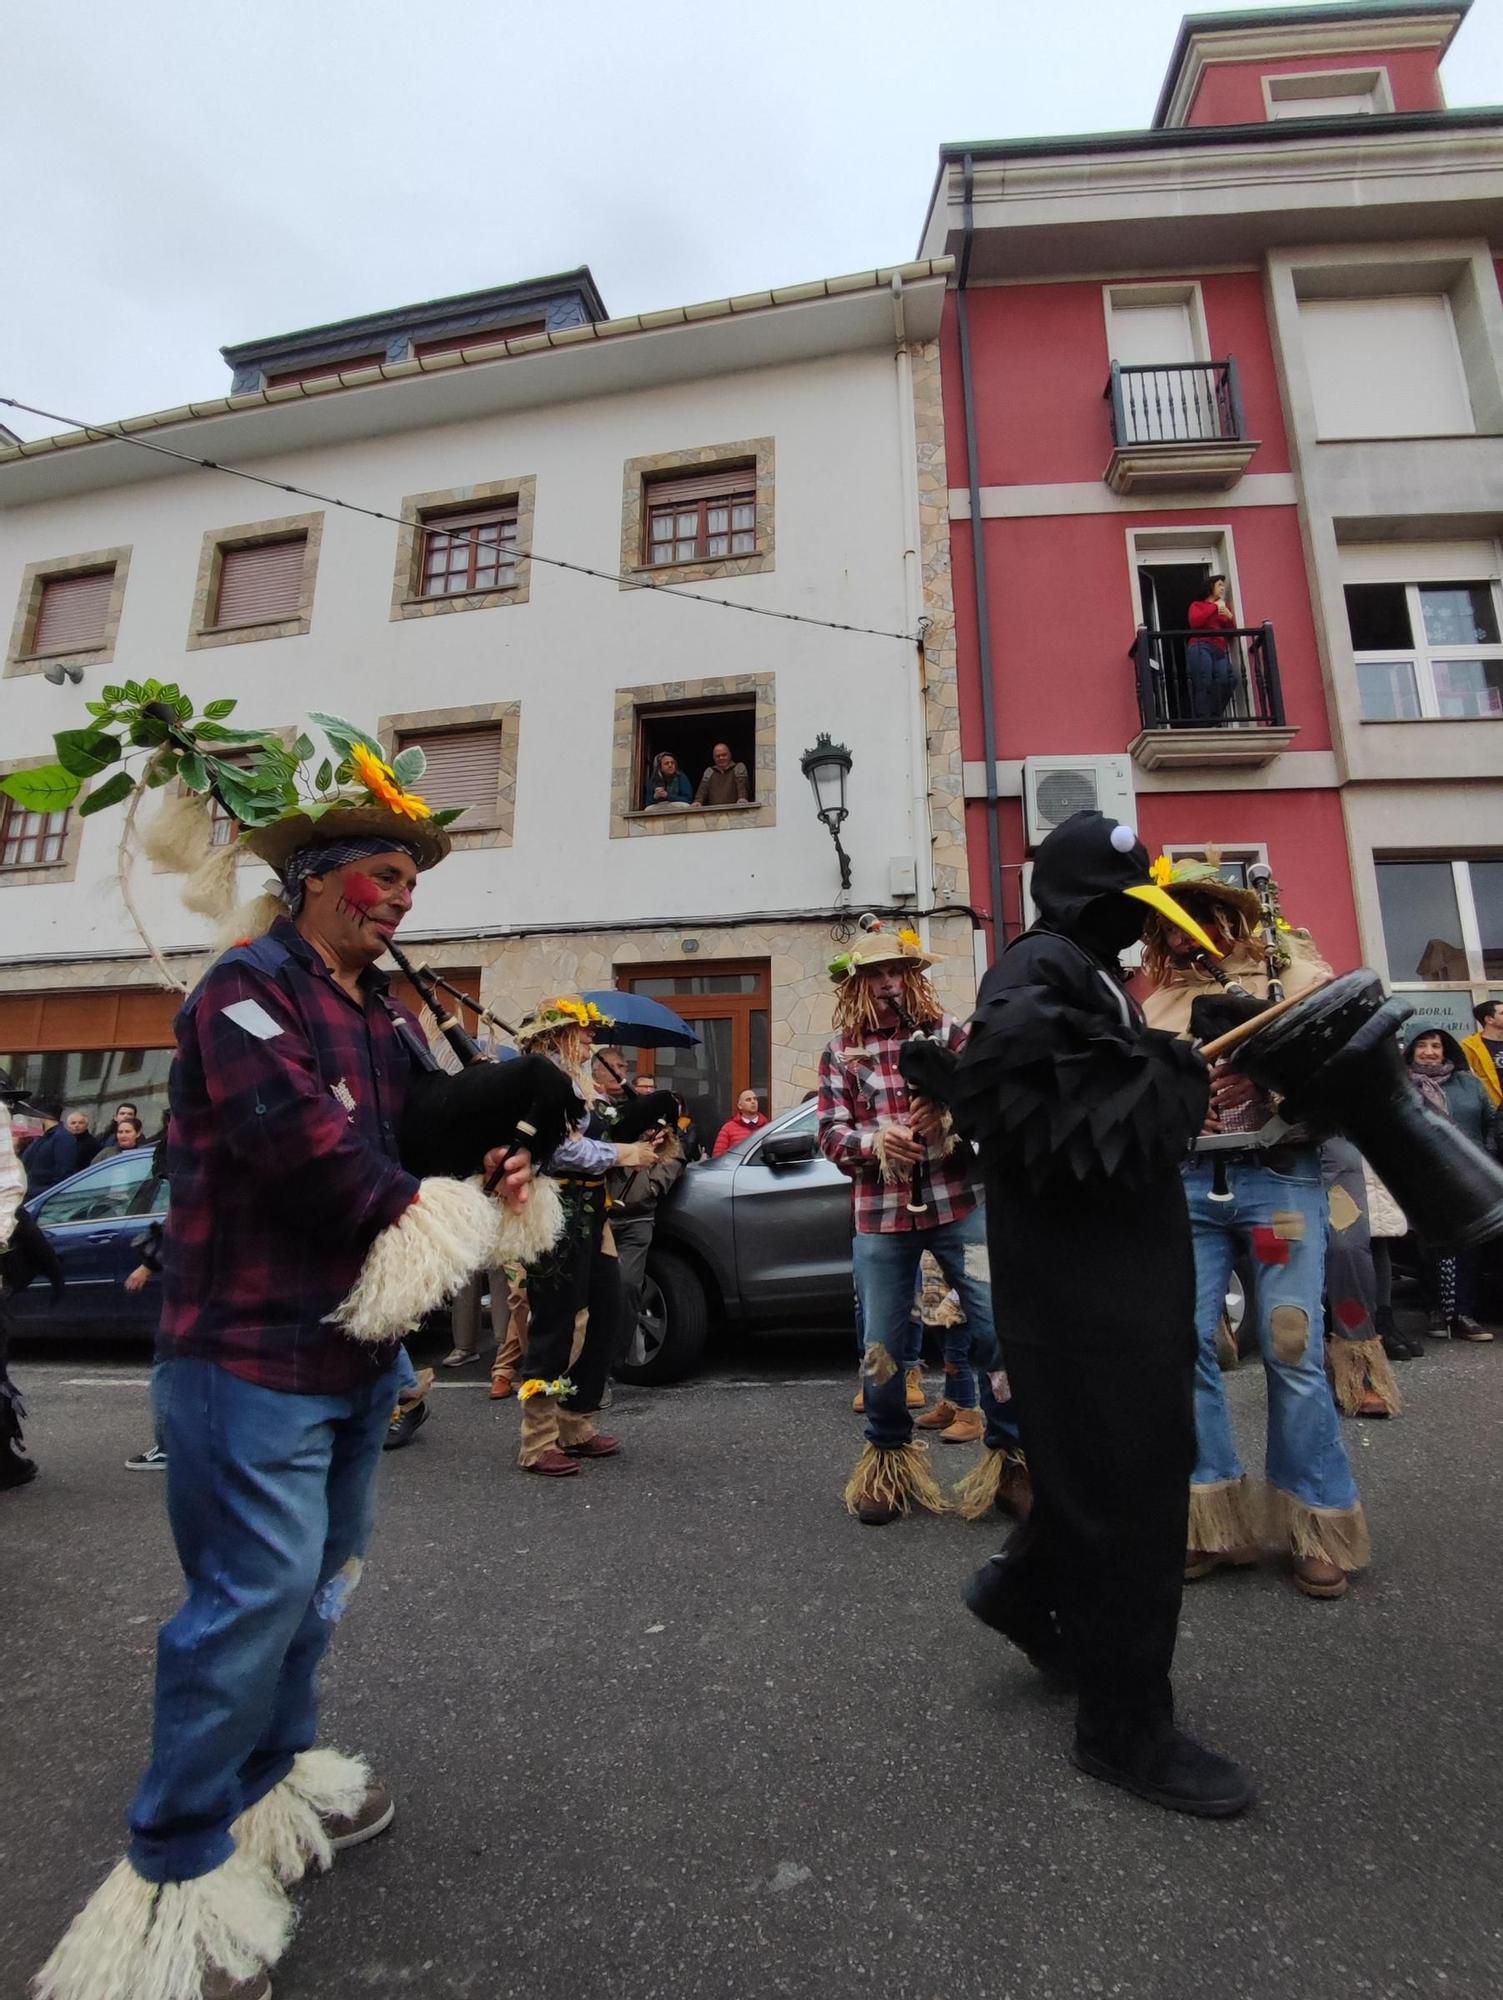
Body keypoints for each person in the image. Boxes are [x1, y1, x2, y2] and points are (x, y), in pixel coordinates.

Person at [35, 723, 532, 2000]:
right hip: (244, 1357)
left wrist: (493, 1163)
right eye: (384, 873)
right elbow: (310, 1152)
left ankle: (273, 1783)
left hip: (351, 1351)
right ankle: (178, 1862)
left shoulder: (380, 1011)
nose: (404, 897)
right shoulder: (241, 992)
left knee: (318, 1586)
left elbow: (418, 1138)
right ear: (316, 874)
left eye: (415, 882)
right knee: (244, 1603)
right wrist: (436, 1212)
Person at [930, 811, 1254, 1816]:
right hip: (1088, 1296)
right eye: (1127, 900)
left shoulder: (1085, 968)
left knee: (1103, 1476)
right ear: (1087, 897)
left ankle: (1024, 1588)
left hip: (1106, 1283)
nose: (1140, 920)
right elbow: (1022, 1070)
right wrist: (1174, 1071)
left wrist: (1169, 1072)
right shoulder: (1039, 966)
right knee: (1131, 1493)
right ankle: (1124, 1731)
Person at [1139, 857, 1372, 1599]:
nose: (1186, 936)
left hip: (1278, 1185)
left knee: (1290, 1342)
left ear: (1229, 916)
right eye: (1170, 923)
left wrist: (1274, 1082)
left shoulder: (1290, 972)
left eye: (1201, 915)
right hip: (1189, 1189)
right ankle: (1213, 1520)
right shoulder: (1154, 1006)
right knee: (1187, 1345)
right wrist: (1177, 1105)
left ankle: (1316, 1523)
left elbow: (1349, 1069)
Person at [816, 920, 1028, 1527]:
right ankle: (888, 1461)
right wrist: (876, 1140)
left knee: (994, 1331)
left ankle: (1012, 1459)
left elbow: (991, 1107)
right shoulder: (839, 1051)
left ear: (911, 980)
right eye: (876, 974)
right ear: (857, 984)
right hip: (880, 1220)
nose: (888, 984)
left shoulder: (949, 1034)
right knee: (880, 1346)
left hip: (960, 1208)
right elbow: (828, 1135)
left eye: (898, 973)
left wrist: (950, 1121)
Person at [507, 998, 664, 1475]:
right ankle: (537, 1441)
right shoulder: (540, 1083)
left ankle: (576, 1422)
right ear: (556, 1037)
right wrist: (624, 1153)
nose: (591, 1039)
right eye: (582, 1031)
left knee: (609, 1310)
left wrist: (639, 1137)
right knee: (558, 1319)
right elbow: (558, 1153)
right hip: (556, 1212)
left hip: (594, 1212)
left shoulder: (578, 1084)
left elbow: (595, 1135)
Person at [1404, 1027, 1500, 1342]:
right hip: (1423, 1176)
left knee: (1469, 1246)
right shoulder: (1402, 1086)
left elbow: (1491, 1122)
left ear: (1447, 1051)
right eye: (1422, 1045)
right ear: (1410, 1050)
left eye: (1436, 1046)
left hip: (1469, 1174)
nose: (1430, 1052)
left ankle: (1464, 1313)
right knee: (1430, 1246)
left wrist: (1486, 1158)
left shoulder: (1469, 1083)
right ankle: (1435, 1311)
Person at [1185, 574, 1238, 721]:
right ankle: (1204, 719)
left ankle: (1213, 715)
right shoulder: (1197, 605)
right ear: (1211, 587)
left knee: (1228, 679)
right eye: (1220, 585)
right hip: (1201, 646)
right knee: (1204, 681)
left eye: (1223, 585)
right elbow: (1195, 622)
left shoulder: (1224, 607)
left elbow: (1231, 633)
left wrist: (1230, 618)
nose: (1223, 588)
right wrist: (1214, 606)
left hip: (1219, 650)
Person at [16, 1098, 89, 1194]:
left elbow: (64, 1175)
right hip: (29, 1193)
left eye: (33, 1116)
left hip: (41, 1197)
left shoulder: (63, 1138)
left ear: (42, 1117)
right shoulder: (42, 1137)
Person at [1460, 1000, 1503, 1109]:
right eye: (1502, 1013)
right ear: (1489, 1019)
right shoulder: (1470, 1046)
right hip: (1493, 1111)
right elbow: (1466, 1080)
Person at [693, 742, 751, 807]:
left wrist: (742, 798)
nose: (721, 758)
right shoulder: (709, 771)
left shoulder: (738, 767)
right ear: (714, 758)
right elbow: (702, 789)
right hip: (713, 813)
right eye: (718, 756)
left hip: (735, 811)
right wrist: (698, 801)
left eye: (724, 755)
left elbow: (742, 785)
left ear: (730, 754)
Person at [712, 1089, 768, 1156]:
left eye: (755, 1099)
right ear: (740, 1105)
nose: (753, 1102)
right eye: (748, 1100)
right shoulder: (728, 1128)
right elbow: (717, 1156)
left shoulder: (768, 1127)